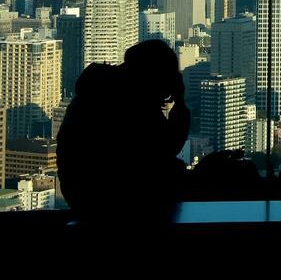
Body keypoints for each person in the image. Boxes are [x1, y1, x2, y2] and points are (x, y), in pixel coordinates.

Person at [57, 39, 190, 221]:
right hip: (116, 202)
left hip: (83, 197)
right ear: (155, 76)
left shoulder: (100, 90)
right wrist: (181, 103)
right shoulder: (131, 99)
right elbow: (165, 148)